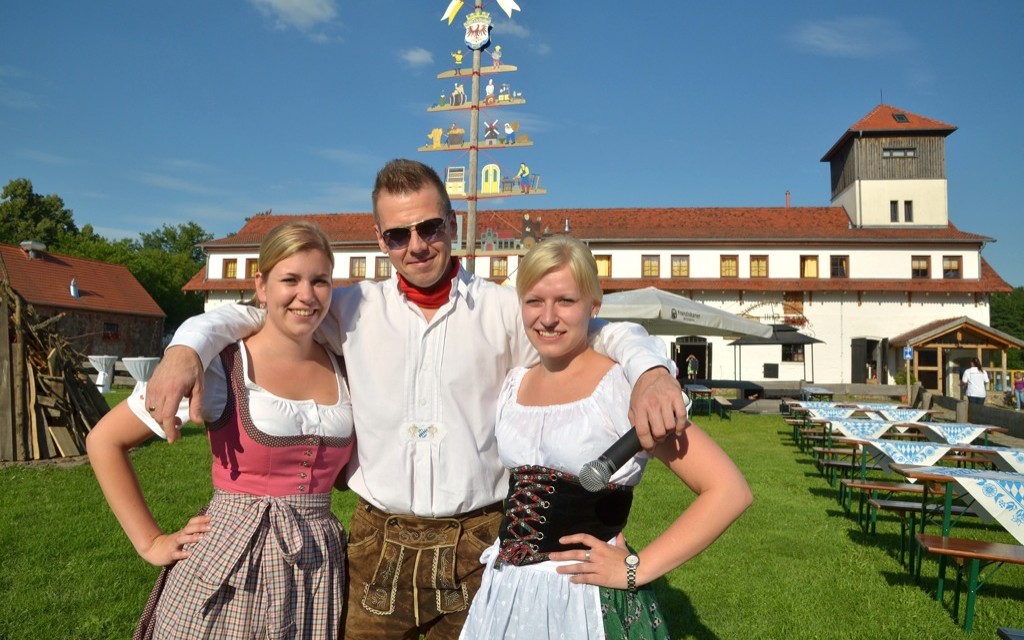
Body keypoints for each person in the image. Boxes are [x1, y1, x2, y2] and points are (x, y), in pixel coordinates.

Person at [143, 159, 687, 639]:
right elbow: (263, 315)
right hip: (376, 537)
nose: (417, 245)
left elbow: (595, 328)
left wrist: (651, 370)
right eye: (399, 235)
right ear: (381, 240)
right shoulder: (351, 308)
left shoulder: (502, 311)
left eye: (429, 227)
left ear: (451, 224)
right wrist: (186, 347)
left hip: (475, 540)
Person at [459, 236, 752, 638]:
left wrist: (638, 568)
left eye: (565, 301)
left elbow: (728, 489)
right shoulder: (515, 384)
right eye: (534, 301)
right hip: (507, 595)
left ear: (593, 307)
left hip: (583, 601)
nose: (547, 317)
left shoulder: (620, 387)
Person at [86, 221, 355, 639]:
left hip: (317, 569)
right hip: (229, 563)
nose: (306, 294)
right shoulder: (219, 365)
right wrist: (151, 541)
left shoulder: (343, 367)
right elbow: (104, 440)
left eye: (319, 281)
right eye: (291, 279)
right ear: (262, 287)